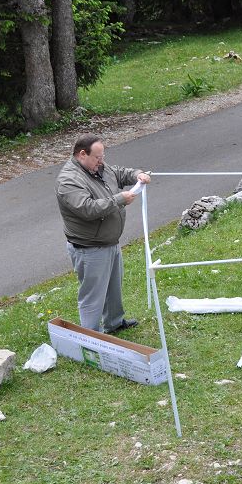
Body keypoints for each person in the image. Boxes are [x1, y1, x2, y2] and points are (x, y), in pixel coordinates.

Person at [55, 134, 150, 334]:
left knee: (113, 288)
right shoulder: (68, 180)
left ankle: (114, 323)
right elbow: (87, 209)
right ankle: (91, 337)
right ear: (82, 154)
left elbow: (119, 173)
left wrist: (138, 175)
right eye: (97, 157)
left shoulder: (98, 167)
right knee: (93, 297)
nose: (102, 161)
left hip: (110, 241)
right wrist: (119, 199)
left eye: (103, 156)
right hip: (90, 248)